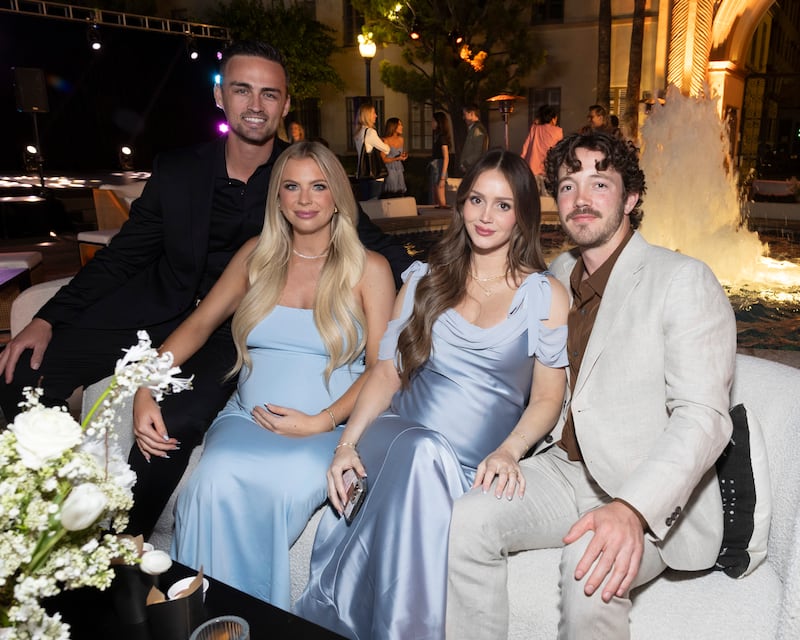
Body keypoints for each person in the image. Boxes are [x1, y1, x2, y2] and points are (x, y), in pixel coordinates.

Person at [0, 41, 412, 540]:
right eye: (242, 90)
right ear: (221, 96)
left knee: (178, 420)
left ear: (284, 104)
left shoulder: (298, 175)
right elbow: (125, 254)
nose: (255, 105)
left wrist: (435, 279)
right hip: (151, 315)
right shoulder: (179, 169)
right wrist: (49, 317)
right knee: (21, 370)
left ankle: (125, 546)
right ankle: (33, 522)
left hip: (223, 332)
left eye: (269, 94)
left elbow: (372, 246)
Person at [446, 131, 737, 639]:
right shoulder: (556, 275)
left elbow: (704, 417)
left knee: (589, 565)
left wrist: (631, 508)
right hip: (563, 469)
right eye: (567, 186)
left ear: (630, 198)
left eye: (599, 184)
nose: (580, 199)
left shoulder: (683, 279)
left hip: (640, 482)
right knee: (468, 518)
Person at [295, 149, 569, 639]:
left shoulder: (544, 295)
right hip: (401, 439)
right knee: (424, 451)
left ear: (524, 214)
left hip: (471, 465)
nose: (487, 216)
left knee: (430, 458)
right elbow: (386, 372)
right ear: (460, 204)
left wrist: (510, 450)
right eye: (477, 200)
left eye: (503, 206)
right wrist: (346, 445)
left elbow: (548, 397)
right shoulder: (424, 279)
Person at [133, 141, 395, 608]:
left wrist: (323, 421)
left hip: (326, 428)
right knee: (212, 479)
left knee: (278, 486)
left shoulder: (369, 268)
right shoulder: (256, 256)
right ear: (277, 197)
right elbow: (198, 324)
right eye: (292, 186)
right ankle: (204, 617)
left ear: (338, 195)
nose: (305, 199)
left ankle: (253, 618)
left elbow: (381, 369)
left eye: (318, 186)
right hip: (247, 421)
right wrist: (145, 383)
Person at [520, 104, 563, 193]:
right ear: (553, 118)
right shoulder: (558, 131)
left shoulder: (534, 129)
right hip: (548, 172)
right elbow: (559, 151)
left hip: (532, 169)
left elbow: (525, 147)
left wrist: (521, 163)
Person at [354, 103, 390, 201]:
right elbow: (386, 149)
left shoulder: (358, 132)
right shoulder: (370, 132)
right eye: (373, 113)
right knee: (373, 202)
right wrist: (385, 142)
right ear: (367, 115)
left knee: (365, 202)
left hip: (362, 173)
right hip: (374, 174)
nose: (376, 116)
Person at [429, 111, 453, 207]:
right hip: (436, 166)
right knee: (436, 199)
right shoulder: (437, 136)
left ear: (439, 123)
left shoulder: (442, 138)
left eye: (433, 121)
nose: (431, 123)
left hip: (440, 167)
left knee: (441, 201)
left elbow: (446, 157)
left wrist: (442, 177)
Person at [380, 117, 408, 198]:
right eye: (399, 125)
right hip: (389, 169)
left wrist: (404, 156)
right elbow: (383, 159)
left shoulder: (401, 139)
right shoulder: (385, 140)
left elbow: (401, 153)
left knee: (400, 191)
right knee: (391, 191)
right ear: (393, 126)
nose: (402, 127)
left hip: (399, 168)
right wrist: (396, 159)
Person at [459, 104, 488, 175]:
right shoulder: (474, 129)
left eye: (465, 114)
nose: (463, 117)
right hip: (473, 168)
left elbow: (477, 152)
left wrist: (465, 163)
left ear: (472, 114)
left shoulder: (477, 130)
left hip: (473, 168)